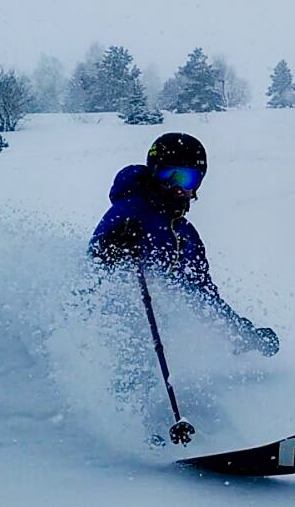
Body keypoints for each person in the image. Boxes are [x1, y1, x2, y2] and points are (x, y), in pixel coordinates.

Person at [89, 132, 278, 356]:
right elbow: (94, 269)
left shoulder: (186, 236)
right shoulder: (130, 211)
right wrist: (113, 246)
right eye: (168, 176)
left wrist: (243, 334)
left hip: (163, 332)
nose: (177, 187)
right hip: (114, 331)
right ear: (154, 174)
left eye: (186, 179)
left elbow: (203, 297)